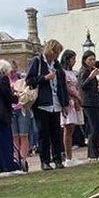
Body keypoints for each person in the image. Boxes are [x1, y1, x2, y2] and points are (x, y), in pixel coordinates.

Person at [26, 39, 67, 171]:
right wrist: (44, 78)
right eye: (55, 53)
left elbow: (62, 84)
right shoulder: (37, 61)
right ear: (50, 51)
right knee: (44, 133)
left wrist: (64, 103)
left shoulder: (57, 64)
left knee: (56, 132)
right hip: (42, 103)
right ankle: (45, 161)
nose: (56, 56)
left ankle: (58, 159)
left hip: (55, 103)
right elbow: (29, 80)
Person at [78, 50, 99, 160]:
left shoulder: (91, 70)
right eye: (90, 60)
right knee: (95, 128)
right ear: (85, 60)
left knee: (97, 127)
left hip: (95, 101)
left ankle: (93, 153)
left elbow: (93, 87)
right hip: (88, 103)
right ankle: (94, 154)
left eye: (94, 59)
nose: (92, 62)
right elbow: (82, 86)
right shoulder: (84, 71)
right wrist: (91, 77)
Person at [59, 50, 83, 165]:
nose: (75, 61)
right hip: (68, 102)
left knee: (71, 129)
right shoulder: (63, 72)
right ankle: (68, 157)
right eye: (73, 59)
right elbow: (68, 87)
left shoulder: (71, 72)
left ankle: (70, 156)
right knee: (67, 129)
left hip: (74, 102)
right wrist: (78, 96)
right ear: (68, 59)